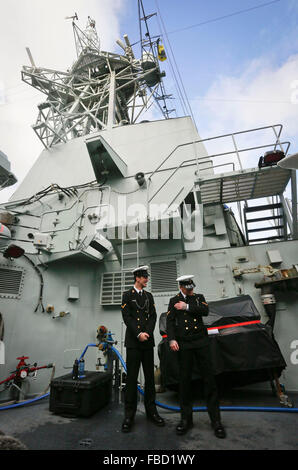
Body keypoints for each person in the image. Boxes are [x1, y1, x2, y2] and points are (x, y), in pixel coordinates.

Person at [166, 275, 226, 438]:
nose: (192, 290)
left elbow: (205, 311)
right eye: (188, 288)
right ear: (181, 287)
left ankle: (216, 421)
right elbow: (170, 322)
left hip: (201, 342)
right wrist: (172, 339)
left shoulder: (198, 298)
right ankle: (186, 419)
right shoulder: (173, 300)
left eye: (192, 287)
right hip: (184, 344)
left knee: (209, 380)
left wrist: (186, 306)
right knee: (184, 382)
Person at [121, 265, 165, 432]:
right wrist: (138, 333)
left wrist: (146, 332)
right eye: (144, 276)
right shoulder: (127, 295)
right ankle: (129, 414)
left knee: (149, 378)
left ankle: (151, 411)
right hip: (133, 342)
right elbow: (127, 317)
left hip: (147, 342)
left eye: (147, 276)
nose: (147, 279)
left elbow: (153, 316)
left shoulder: (149, 296)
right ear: (137, 278)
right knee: (131, 379)